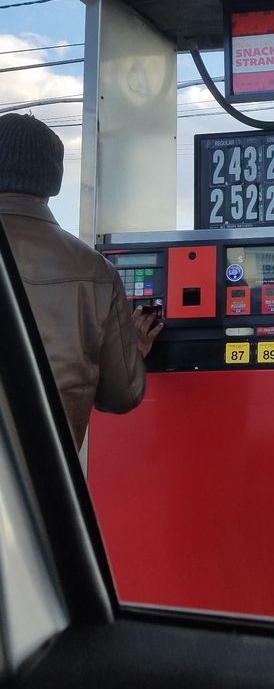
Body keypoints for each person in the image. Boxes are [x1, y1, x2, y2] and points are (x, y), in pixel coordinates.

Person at [0, 112, 162, 450]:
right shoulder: (96, 271)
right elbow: (122, 396)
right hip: (41, 490)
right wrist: (134, 347)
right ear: (54, 181)